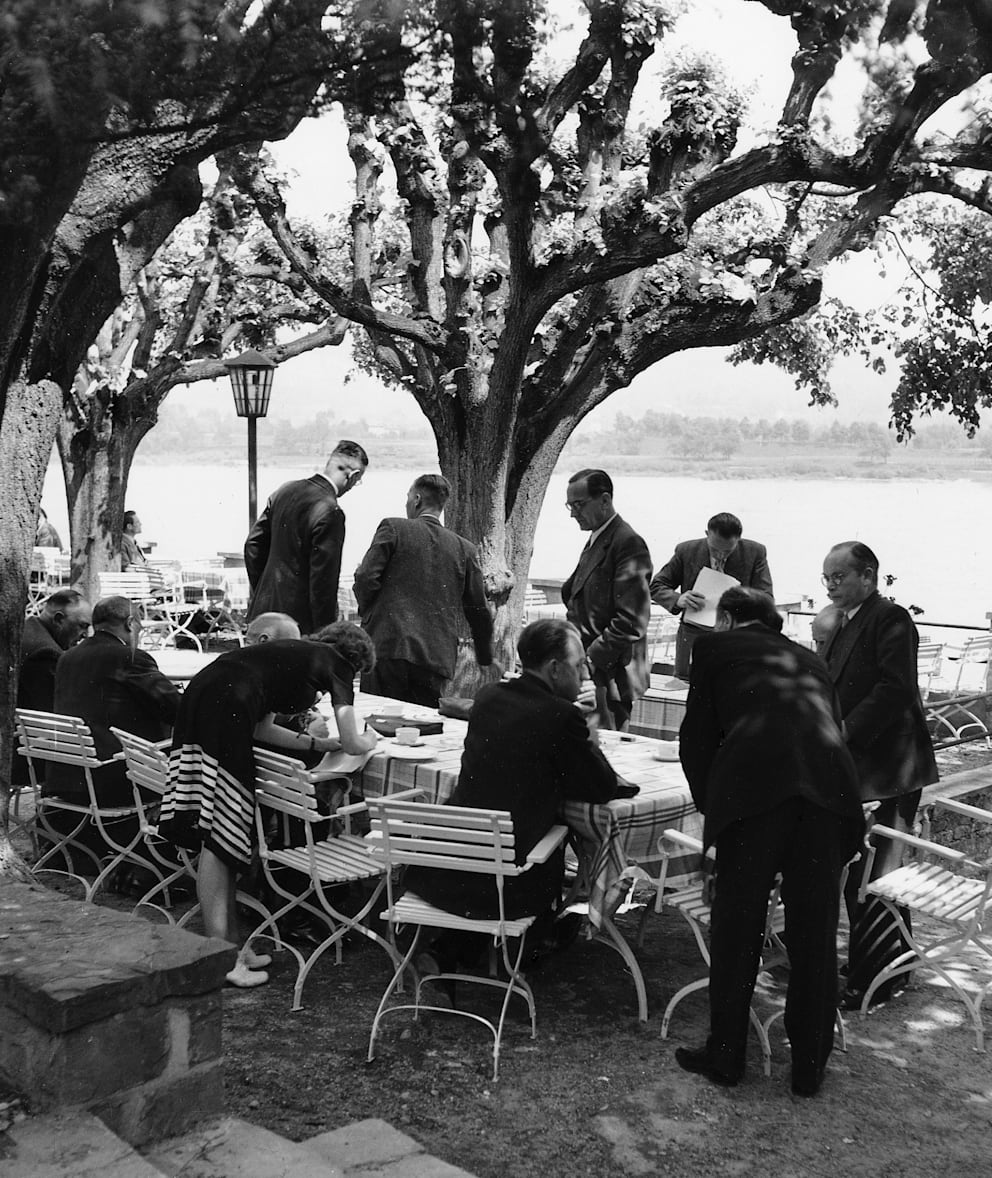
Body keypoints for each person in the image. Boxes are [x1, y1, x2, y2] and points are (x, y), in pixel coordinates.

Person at [676, 587, 863, 1096]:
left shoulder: (714, 649)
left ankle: (727, 1056)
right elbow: (830, 727)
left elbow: (696, 739)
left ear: (730, 619)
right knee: (815, 932)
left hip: (755, 799)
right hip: (828, 797)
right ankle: (809, 1066)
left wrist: (714, 808)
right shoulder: (809, 657)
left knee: (738, 930)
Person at [157, 622, 380, 988]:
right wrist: (368, 740)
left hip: (207, 697)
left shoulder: (293, 658)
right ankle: (222, 956)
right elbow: (355, 742)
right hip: (227, 708)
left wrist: (318, 746)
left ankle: (229, 946)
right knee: (219, 837)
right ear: (356, 661)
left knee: (220, 833)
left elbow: (263, 730)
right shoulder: (336, 661)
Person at [403, 618, 626, 975]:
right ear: (554, 669)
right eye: (579, 663)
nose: (585, 673)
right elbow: (601, 787)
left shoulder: (490, 696)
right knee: (552, 850)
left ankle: (450, 951)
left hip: (449, 863)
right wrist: (591, 731)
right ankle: (526, 946)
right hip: (512, 879)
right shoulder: (561, 715)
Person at [820, 541, 939, 1011]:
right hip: (862, 765)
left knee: (875, 873)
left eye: (839, 577)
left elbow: (895, 689)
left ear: (867, 576)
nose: (830, 585)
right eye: (825, 578)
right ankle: (891, 962)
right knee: (867, 871)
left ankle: (880, 976)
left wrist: (844, 732)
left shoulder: (888, 618)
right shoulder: (846, 621)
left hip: (891, 768)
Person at [353, 473, 493, 707]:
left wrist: (370, 613)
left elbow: (366, 576)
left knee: (380, 718)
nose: (406, 503)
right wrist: (485, 655)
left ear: (417, 499)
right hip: (435, 656)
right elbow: (478, 608)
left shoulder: (393, 527)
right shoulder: (464, 548)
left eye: (408, 497)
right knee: (421, 724)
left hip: (387, 646)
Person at [47, 596, 180, 807]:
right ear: (129, 623)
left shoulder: (67, 657)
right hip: (117, 779)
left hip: (69, 777)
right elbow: (176, 710)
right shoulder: (130, 657)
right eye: (139, 628)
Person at [560, 469, 653, 731]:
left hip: (609, 677)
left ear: (604, 500)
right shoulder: (598, 538)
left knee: (604, 758)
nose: (572, 513)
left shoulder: (627, 542)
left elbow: (632, 620)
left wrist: (589, 660)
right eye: (569, 505)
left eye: (579, 505)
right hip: (591, 674)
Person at [244, 440, 368, 633]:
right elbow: (323, 582)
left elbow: (253, 546)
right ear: (354, 475)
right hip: (297, 625)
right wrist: (324, 632)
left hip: (261, 615)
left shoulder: (284, 491)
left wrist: (263, 590)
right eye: (358, 481)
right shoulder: (331, 512)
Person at [650, 512, 773, 681]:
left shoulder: (755, 552)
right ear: (707, 534)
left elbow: (766, 598)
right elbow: (656, 586)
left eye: (727, 551)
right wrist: (678, 599)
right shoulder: (686, 551)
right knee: (685, 689)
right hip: (692, 638)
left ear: (739, 539)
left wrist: (742, 601)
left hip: (736, 640)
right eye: (715, 549)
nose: (721, 556)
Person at [12, 590, 92, 788]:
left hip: (22, 744)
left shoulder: (28, 628)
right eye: (82, 625)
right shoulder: (46, 653)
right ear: (59, 620)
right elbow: (58, 714)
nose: (85, 634)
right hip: (26, 757)